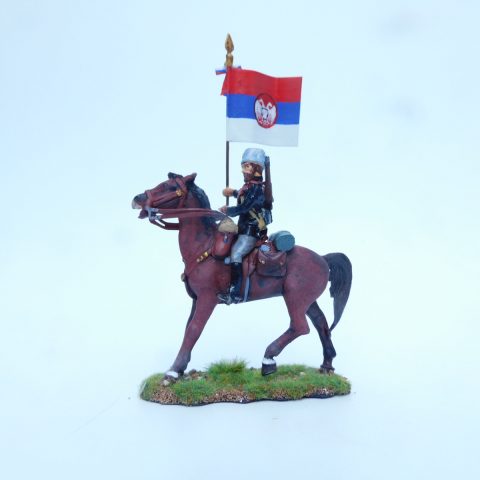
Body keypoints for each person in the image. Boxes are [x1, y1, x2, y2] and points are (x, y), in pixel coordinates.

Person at [217, 148, 271, 304]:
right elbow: (244, 195)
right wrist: (233, 192)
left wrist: (228, 210)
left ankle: (234, 293)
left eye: (247, 167)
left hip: (250, 231)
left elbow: (245, 207)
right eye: (243, 166)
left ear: (256, 169)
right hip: (242, 229)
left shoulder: (257, 189)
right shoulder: (249, 186)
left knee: (236, 254)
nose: (243, 171)